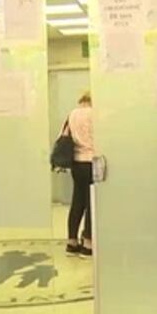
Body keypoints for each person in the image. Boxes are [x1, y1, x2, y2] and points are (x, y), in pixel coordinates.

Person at [65, 91, 95, 258]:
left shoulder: (72, 114)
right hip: (91, 161)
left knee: (77, 201)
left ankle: (72, 242)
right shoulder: (94, 114)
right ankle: (88, 244)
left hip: (76, 163)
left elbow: (64, 136)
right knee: (92, 202)